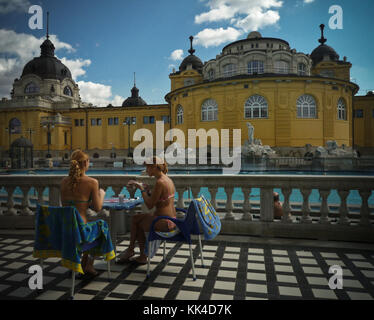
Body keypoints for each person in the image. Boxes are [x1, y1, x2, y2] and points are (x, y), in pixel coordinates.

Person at [118, 156, 176, 265]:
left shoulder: (160, 182)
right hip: (172, 220)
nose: (146, 170)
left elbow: (149, 205)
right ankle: (139, 255)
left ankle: (133, 251)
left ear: (154, 167)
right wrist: (148, 190)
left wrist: (142, 189)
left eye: (147, 168)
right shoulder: (167, 179)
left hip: (164, 222)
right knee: (137, 219)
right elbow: (158, 200)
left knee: (136, 220)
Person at [60, 149, 106, 276]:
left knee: (90, 230)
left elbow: (69, 205)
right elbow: (97, 208)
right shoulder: (92, 182)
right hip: (80, 233)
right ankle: (89, 265)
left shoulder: (63, 182)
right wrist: (101, 194)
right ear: (86, 163)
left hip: (64, 231)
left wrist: (84, 202)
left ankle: (81, 265)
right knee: (102, 228)